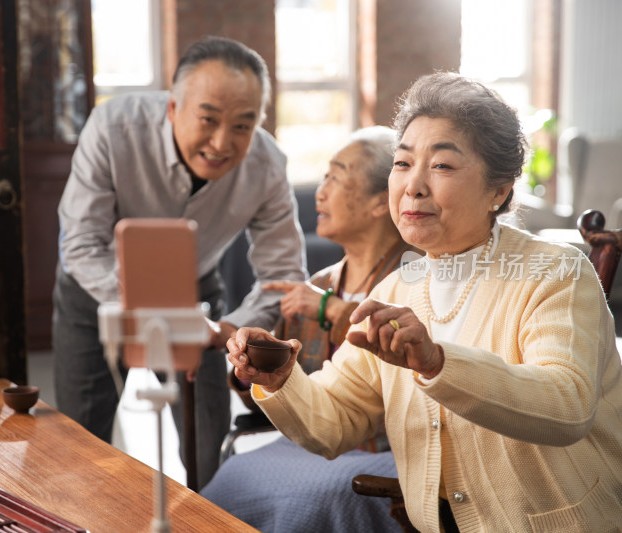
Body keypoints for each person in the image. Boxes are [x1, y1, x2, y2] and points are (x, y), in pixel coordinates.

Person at [227, 72, 622, 532]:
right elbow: (336, 420)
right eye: (402, 163)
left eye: (443, 166)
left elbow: (566, 405)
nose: (413, 186)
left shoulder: (555, 274)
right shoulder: (396, 290)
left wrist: (437, 363)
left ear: (500, 190)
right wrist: (282, 380)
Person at [53, 36, 306, 489]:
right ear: (172, 108)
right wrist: (152, 310)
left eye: (243, 126)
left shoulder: (267, 165)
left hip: (195, 293)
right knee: (80, 442)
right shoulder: (113, 128)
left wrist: (232, 330)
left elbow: (283, 276)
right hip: (95, 291)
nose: (221, 142)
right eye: (208, 119)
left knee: (206, 441)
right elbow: (82, 243)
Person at [202, 127, 417, 532]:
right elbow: (276, 402)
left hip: (383, 452)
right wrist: (253, 369)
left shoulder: (414, 274)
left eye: (336, 178)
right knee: (226, 484)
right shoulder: (318, 284)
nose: (320, 193)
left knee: (311, 502)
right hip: (310, 443)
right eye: (323, 178)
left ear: (378, 201)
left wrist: (331, 310)